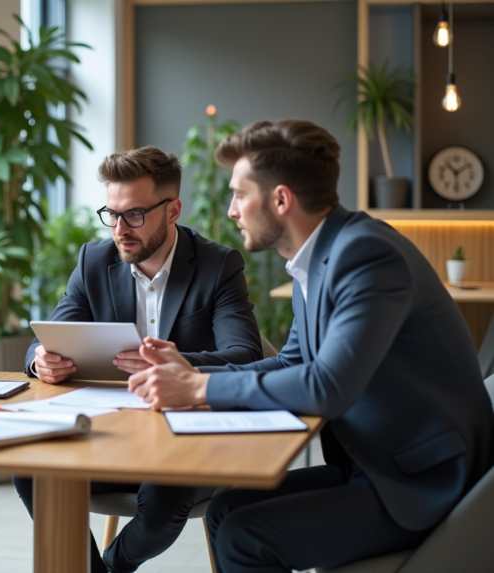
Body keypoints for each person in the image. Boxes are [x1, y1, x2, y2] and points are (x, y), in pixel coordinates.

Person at [127, 119, 494, 573]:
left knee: (246, 535)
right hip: (375, 463)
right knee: (226, 511)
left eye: (240, 195)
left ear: (281, 199)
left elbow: (329, 387)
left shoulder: (366, 255)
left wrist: (197, 391)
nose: (231, 211)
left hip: (425, 479)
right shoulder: (317, 258)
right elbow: (292, 362)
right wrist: (194, 374)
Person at [15, 146, 263, 573]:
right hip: (112, 433)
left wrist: (174, 367)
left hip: (187, 438)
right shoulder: (94, 260)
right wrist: (41, 360)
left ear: (173, 210)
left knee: (163, 497)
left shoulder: (217, 265)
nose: (119, 228)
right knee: (33, 469)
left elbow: (245, 355)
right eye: (111, 213)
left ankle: (111, 567)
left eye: (134, 214)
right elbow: (49, 337)